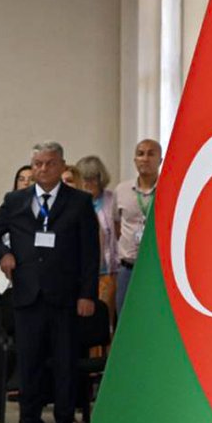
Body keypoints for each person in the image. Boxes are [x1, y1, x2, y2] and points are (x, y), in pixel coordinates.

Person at [0, 141, 98, 423]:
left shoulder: (79, 202)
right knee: (29, 364)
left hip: (65, 296)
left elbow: (90, 253)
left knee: (64, 364)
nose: (42, 169)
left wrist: (88, 294)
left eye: (49, 164)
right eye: (37, 164)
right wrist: (4, 255)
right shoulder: (16, 200)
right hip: (28, 295)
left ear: (61, 166)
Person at [114, 139, 160, 318]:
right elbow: (117, 225)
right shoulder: (122, 190)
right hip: (128, 268)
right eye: (140, 154)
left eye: (151, 154)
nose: (145, 158)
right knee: (125, 318)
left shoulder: (169, 188)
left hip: (157, 270)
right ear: (134, 160)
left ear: (160, 160)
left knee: (154, 319)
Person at [71, 155, 118, 324]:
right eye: (84, 179)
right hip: (79, 274)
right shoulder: (73, 203)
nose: (88, 183)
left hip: (107, 271)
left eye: (93, 179)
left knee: (105, 320)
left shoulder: (111, 200)